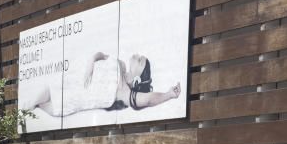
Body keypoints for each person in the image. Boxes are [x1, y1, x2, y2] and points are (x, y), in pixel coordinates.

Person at [26, 52, 181, 117]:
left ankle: (25, 110)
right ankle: (25, 109)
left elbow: (148, 99)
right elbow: (99, 54)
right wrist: (91, 63)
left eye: (140, 61)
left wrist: (168, 95)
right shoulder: (120, 63)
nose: (138, 56)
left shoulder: (124, 92)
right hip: (68, 81)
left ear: (138, 79)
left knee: (38, 105)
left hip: (74, 99)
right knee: (37, 98)